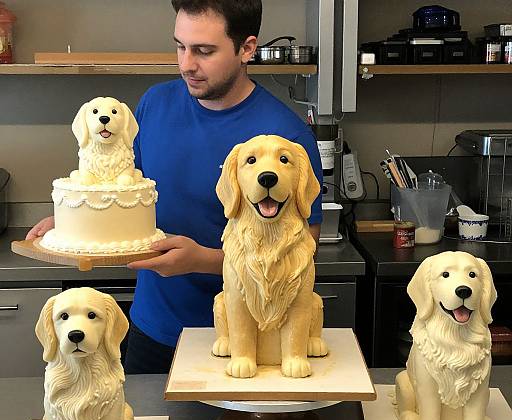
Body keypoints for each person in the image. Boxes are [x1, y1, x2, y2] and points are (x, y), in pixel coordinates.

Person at [27, 0, 323, 374]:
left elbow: (305, 249)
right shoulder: (155, 104)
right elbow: (122, 187)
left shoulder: (286, 138)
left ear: (247, 48)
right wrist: (77, 218)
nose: (186, 64)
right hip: (152, 326)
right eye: (180, 46)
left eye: (204, 51)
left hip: (244, 335)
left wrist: (201, 260)